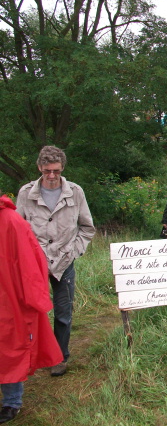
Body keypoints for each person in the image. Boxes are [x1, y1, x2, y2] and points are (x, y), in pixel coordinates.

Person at [16, 146, 95, 378]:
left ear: (62, 169)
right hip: (34, 264)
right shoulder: (25, 193)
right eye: (48, 170)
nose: (52, 176)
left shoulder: (75, 192)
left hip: (64, 261)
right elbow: (17, 228)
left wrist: (74, 251)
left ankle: (60, 357)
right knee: (31, 313)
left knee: (63, 313)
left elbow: (87, 227)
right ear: (40, 167)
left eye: (56, 171)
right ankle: (31, 356)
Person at [1, 193, 64, 424]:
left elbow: (30, 262)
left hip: (8, 299)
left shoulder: (11, 221)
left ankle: (11, 402)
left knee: (8, 348)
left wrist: (34, 299)